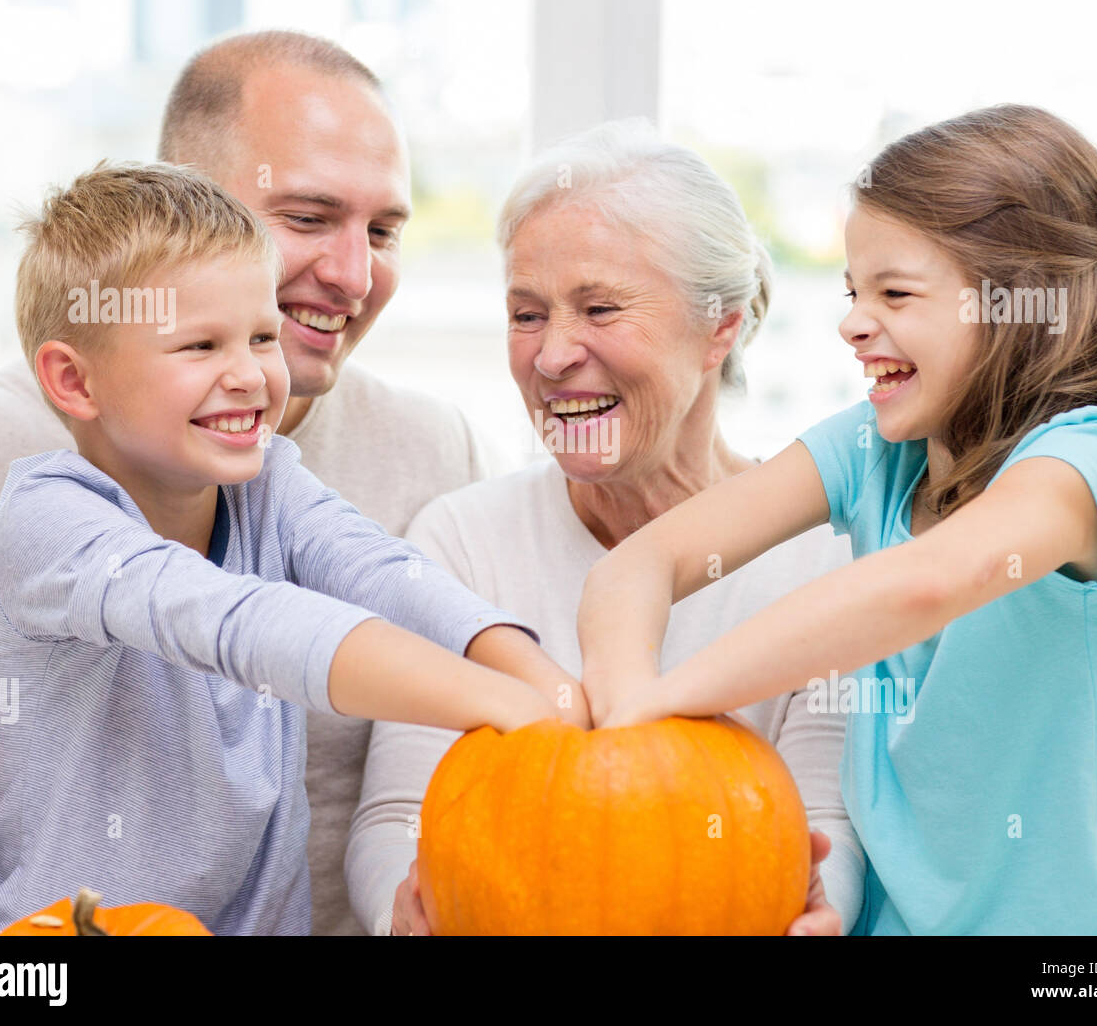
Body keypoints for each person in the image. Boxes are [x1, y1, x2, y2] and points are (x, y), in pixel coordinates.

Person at [0, 31, 507, 933]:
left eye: (383, 231)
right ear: (189, 203)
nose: (353, 276)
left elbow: (394, 604)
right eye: (307, 218)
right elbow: (247, 625)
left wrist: (530, 676)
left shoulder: (420, 451)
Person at [580, 104, 1097, 935]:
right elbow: (640, 564)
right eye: (853, 290)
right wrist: (630, 711)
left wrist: (671, 701)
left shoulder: (1087, 463)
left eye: (895, 292)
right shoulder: (872, 450)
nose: (852, 322)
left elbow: (928, 582)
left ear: (1021, 303)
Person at [346, 121, 864, 936]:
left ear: (719, 325)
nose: (552, 356)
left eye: (600, 308)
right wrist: (401, 915)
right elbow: (397, 818)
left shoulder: (823, 556)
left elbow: (824, 820)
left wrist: (828, 912)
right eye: (526, 314)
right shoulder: (461, 541)